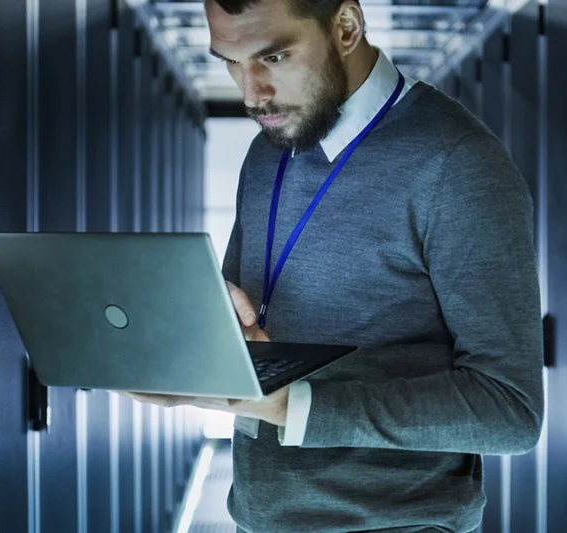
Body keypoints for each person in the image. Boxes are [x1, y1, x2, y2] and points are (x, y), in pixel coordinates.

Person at [124, 0, 543, 529]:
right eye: (230, 61)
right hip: (259, 518)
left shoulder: (457, 164)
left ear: (345, 26)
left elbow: (511, 412)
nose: (252, 94)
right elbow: (249, 341)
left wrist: (296, 407)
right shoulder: (267, 152)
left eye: (272, 57)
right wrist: (182, 365)